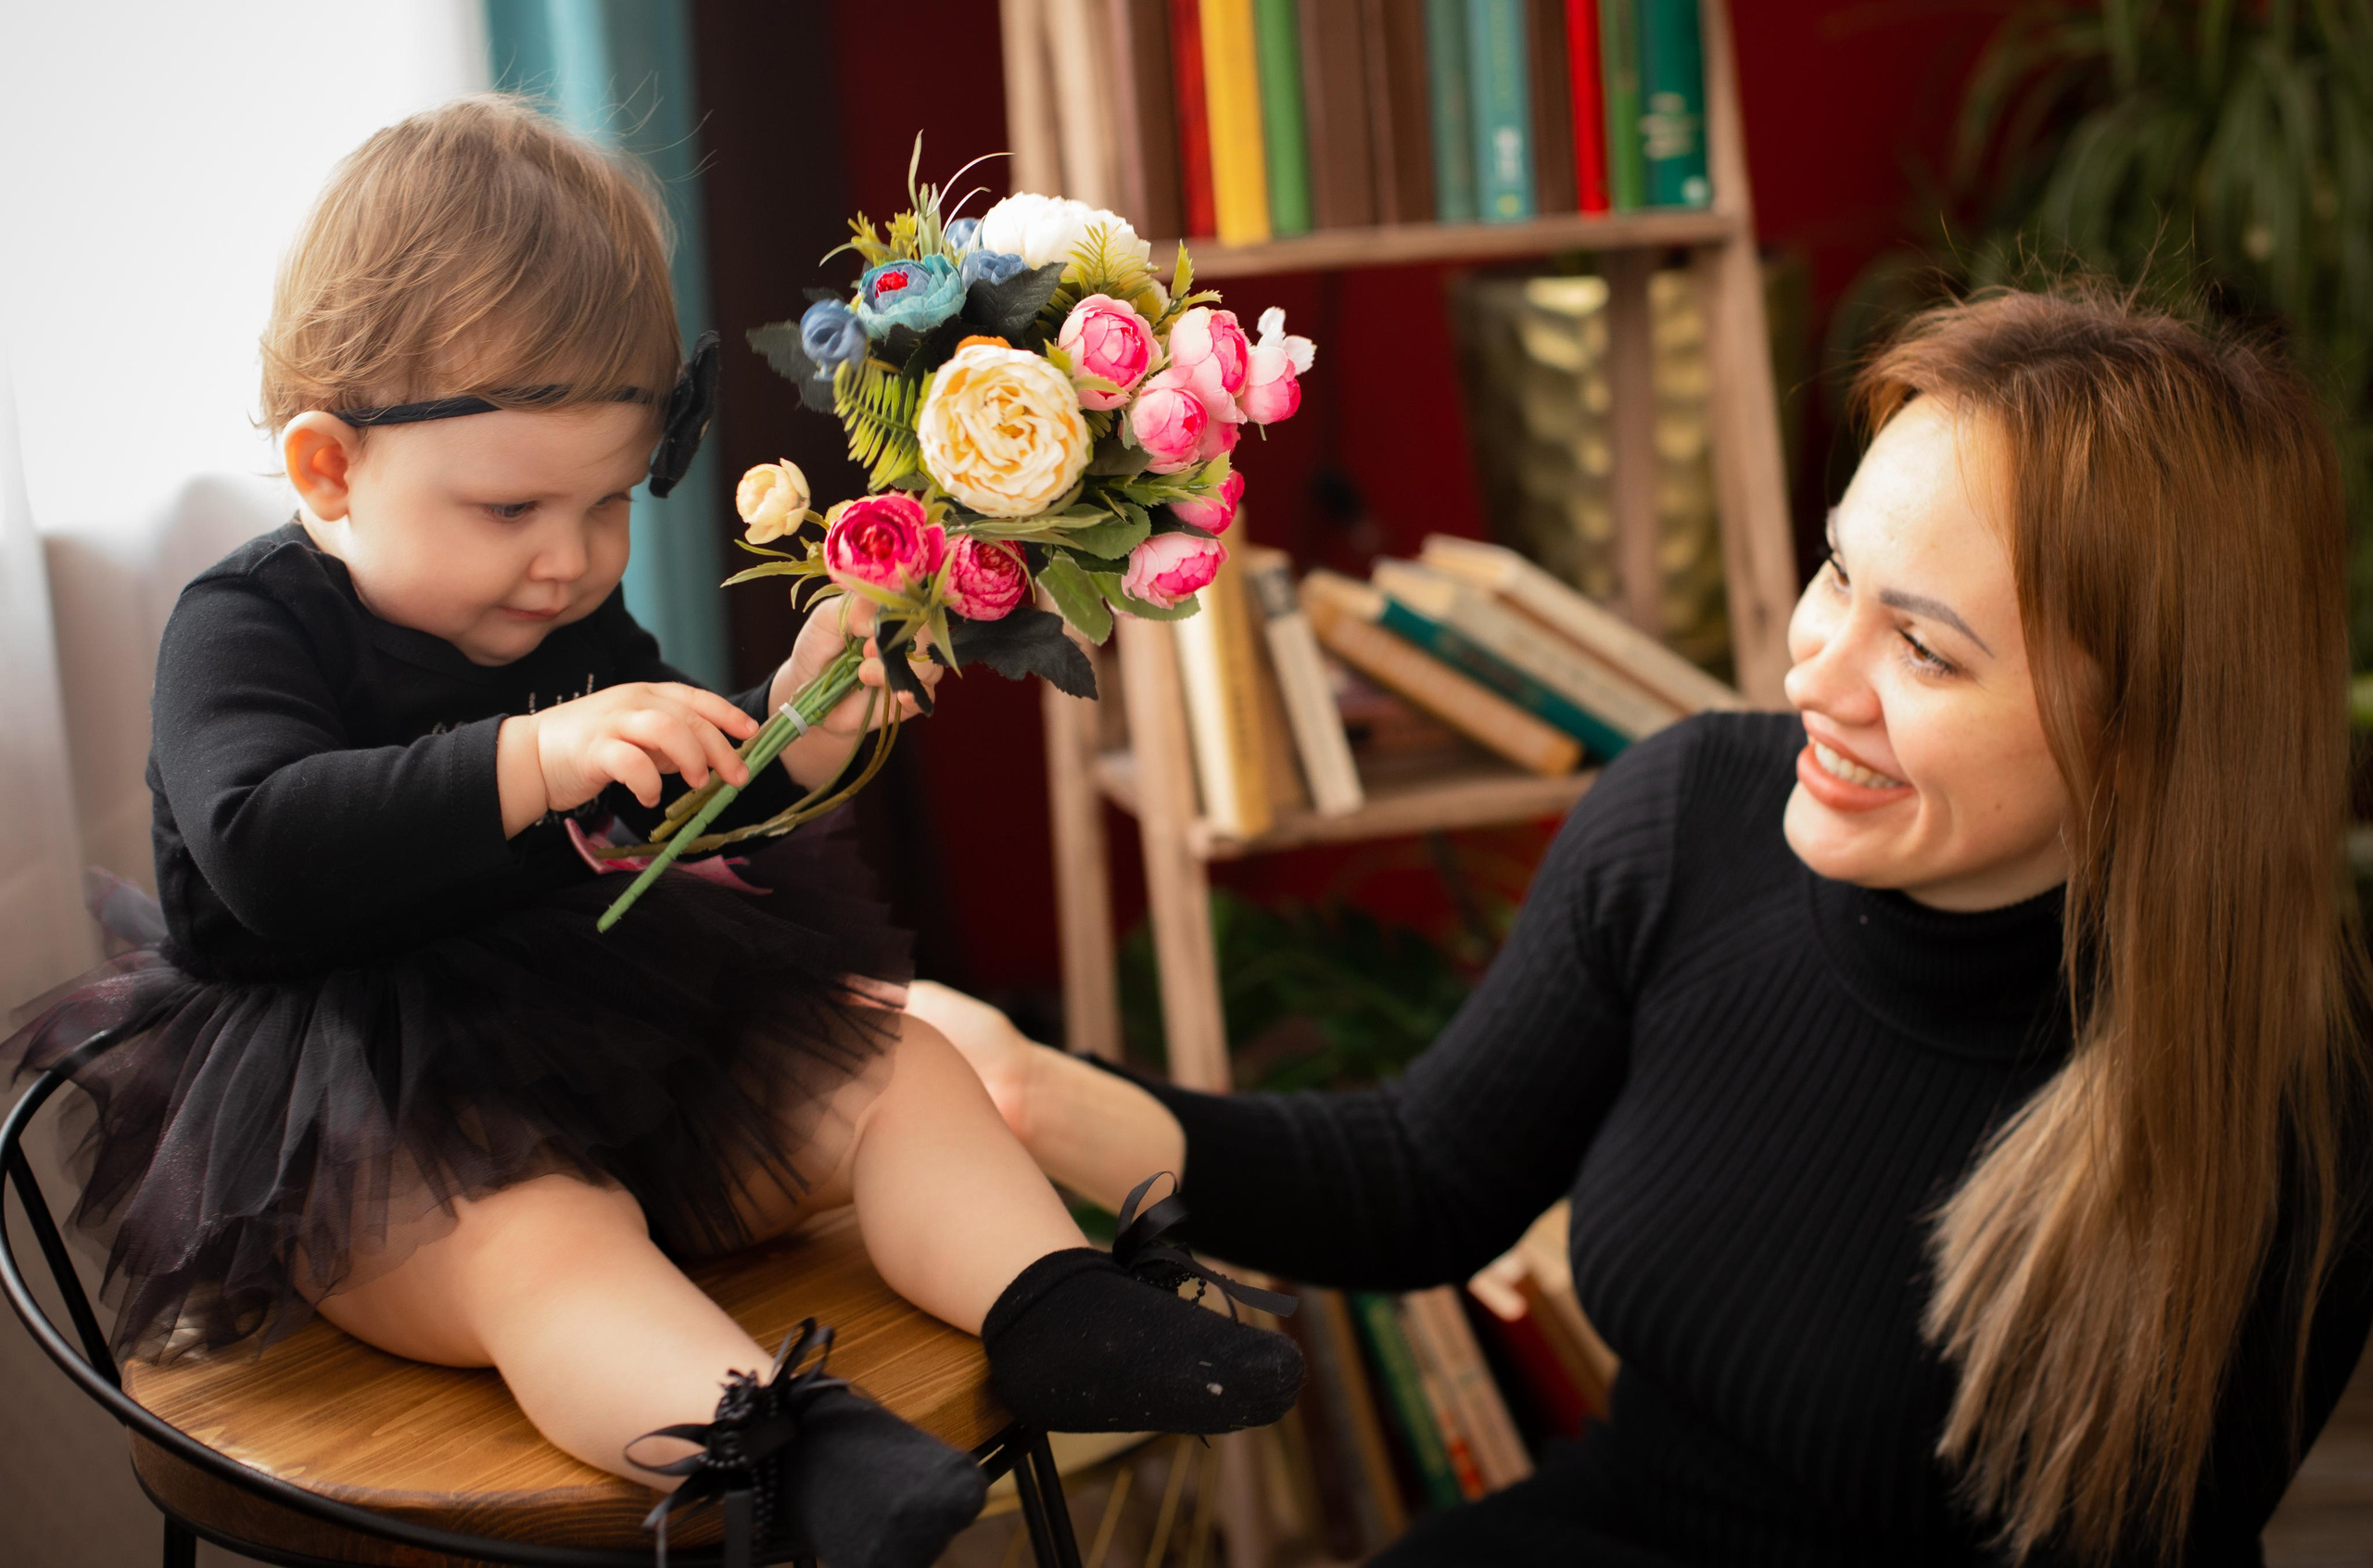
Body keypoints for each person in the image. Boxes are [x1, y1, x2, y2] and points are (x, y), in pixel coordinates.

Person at [4, 95, 1300, 1568]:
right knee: (546, 1244)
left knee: (902, 1065)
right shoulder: (243, 627)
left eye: (611, 501)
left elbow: (685, 789)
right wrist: (530, 754)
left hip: (627, 1059)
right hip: (369, 1134)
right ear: (329, 472)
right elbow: (259, 846)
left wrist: (794, 727)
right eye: (510, 510)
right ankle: (783, 1454)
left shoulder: (563, 606)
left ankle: (1054, 1302)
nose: (569, 560)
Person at [913, 288, 2373, 1566]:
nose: (1817, 672)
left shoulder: (2286, 1101)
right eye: (1837, 575)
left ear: (2142, 738)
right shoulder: (1690, 821)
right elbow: (1423, 1178)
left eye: (1924, 649)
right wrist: (1023, 1088)